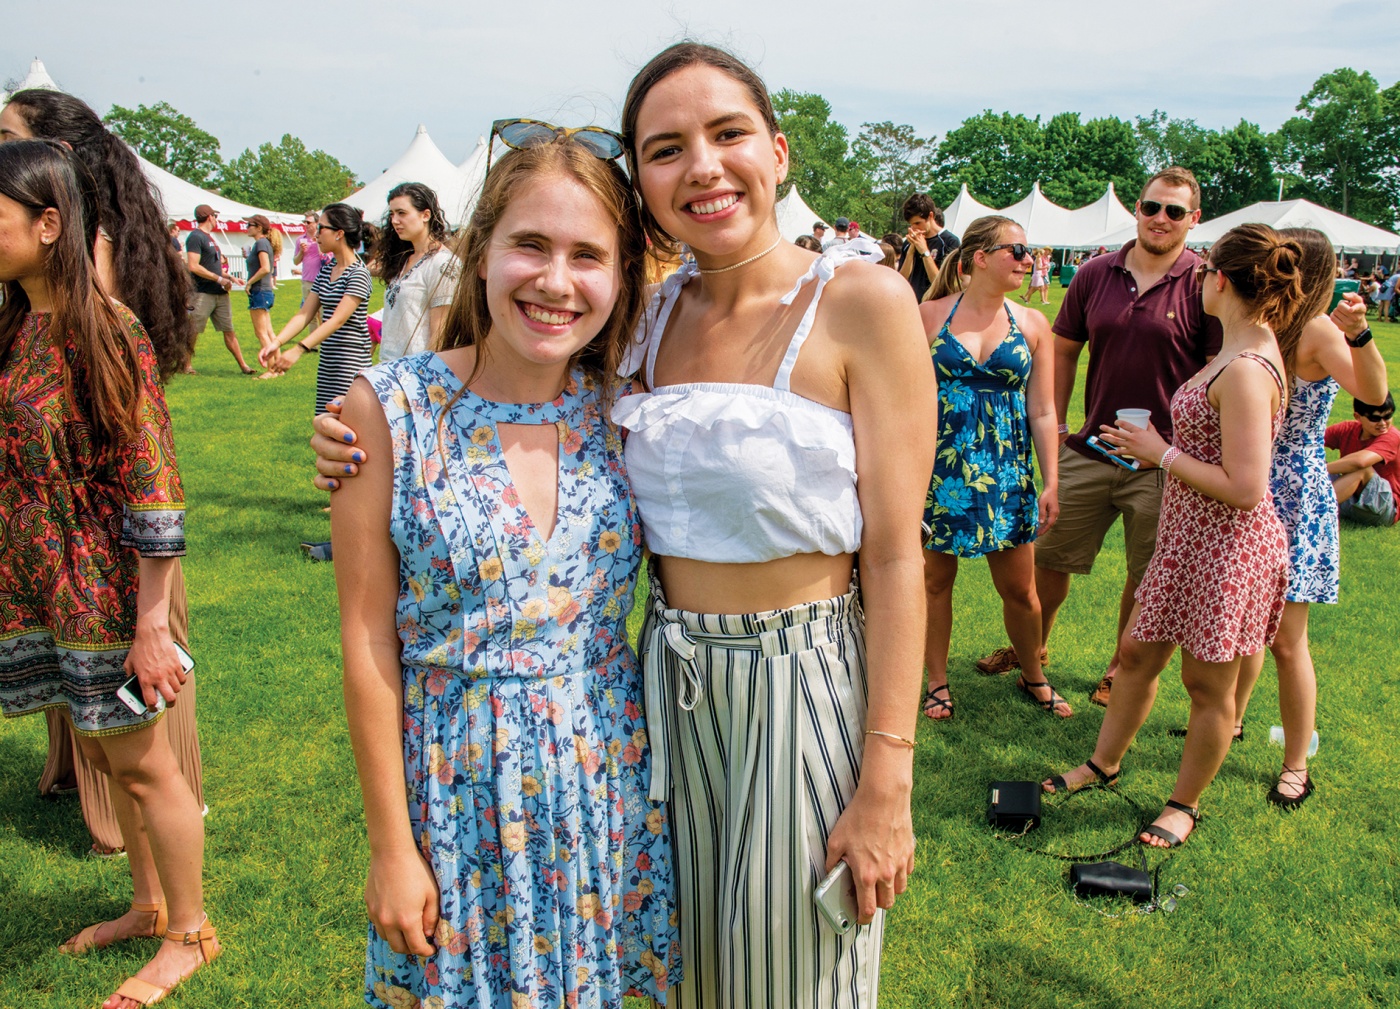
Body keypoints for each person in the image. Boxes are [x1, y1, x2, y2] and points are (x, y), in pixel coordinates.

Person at [312, 42, 936, 1009]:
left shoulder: (861, 302)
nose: (703, 166)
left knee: (794, 982)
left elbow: (899, 552)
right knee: (679, 982)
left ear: (779, 149)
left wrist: (888, 773)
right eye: (665, 147)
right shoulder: (642, 333)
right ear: (643, 185)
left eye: (728, 134)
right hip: (656, 701)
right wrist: (363, 440)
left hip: (789, 682)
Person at [332, 133, 679, 1009]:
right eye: (531, 244)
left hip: (607, 782)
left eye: (587, 255)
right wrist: (389, 845)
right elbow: (367, 635)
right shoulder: (390, 408)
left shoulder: (629, 410)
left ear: (621, 274)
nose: (555, 281)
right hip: (455, 786)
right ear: (481, 247)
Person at [0, 139, 219, 1009]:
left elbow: (153, 478)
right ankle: (146, 900)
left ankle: (189, 930)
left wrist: (153, 620)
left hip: (100, 587)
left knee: (145, 765)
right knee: (103, 752)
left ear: (49, 224)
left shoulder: (108, 329)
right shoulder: (14, 324)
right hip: (41, 582)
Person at [1043, 223, 1304, 852]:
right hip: (1188, 536)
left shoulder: (1245, 367)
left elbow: (1246, 487)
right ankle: (1104, 763)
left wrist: (1159, 453)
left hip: (1228, 549)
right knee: (1136, 653)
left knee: (1207, 688)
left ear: (1220, 280)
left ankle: (1183, 805)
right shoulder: (1239, 344)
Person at [975, 167, 1223, 708]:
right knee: (1050, 558)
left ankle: (1117, 669)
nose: (1160, 219)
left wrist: (1181, 445)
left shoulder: (1205, 283)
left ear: (1193, 220)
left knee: (1145, 576)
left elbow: (1214, 372)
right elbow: (1063, 350)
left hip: (1163, 459)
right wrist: (1059, 427)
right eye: (1151, 207)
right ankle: (1030, 651)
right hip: (1091, 447)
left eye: (1174, 211)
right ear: (1138, 208)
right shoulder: (1095, 273)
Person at [1228, 230, 1388, 810]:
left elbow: (1374, 394)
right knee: (1245, 620)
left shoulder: (1314, 327)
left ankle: (1296, 764)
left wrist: (1360, 335)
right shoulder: (1260, 320)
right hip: (1247, 480)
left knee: (1286, 639)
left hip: (1294, 488)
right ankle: (1234, 720)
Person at [917, 217, 1063, 721]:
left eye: (1029, 250)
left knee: (1020, 589)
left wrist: (1052, 482)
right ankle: (937, 681)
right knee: (935, 581)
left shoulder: (1033, 324)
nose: (1028, 259)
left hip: (1005, 471)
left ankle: (1033, 673)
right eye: (1017, 250)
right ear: (979, 257)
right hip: (938, 466)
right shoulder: (928, 316)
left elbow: (1043, 411)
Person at [372, 182, 458, 362]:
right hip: (389, 369)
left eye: (402, 213)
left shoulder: (443, 263)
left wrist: (422, 377)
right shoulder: (404, 260)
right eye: (392, 214)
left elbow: (441, 334)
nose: (395, 220)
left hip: (416, 374)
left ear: (425, 215)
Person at [183, 204, 254, 375]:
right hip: (202, 293)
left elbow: (212, 268)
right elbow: (193, 266)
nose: (216, 219)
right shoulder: (195, 237)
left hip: (219, 293)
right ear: (210, 217)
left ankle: (244, 366)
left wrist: (229, 277)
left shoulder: (210, 238)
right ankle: (186, 366)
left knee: (229, 329)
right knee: (192, 330)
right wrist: (220, 279)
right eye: (215, 216)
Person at [1327, 391, 1399, 525]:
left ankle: (1317, 509)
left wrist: (1318, 468)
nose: (1383, 423)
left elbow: (1360, 462)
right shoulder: (1347, 429)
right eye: (1375, 418)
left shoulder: (1392, 436)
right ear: (1357, 416)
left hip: (1383, 509)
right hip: (1351, 501)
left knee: (1363, 470)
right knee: (1308, 457)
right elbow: (1312, 442)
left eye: (1388, 416)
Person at [898, 194, 960, 302]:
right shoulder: (908, 243)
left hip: (937, 306)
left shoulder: (950, 241)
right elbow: (901, 280)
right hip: (911, 305)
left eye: (918, 223)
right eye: (911, 224)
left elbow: (942, 284)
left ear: (931, 216)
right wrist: (910, 252)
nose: (914, 228)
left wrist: (924, 252)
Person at [242, 214, 277, 365]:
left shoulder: (261, 243)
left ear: (259, 228)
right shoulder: (263, 243)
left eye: (249, 225)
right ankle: (277, 366)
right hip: (264, 291)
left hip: (259, 291)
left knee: (261, 333)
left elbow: (265, 268)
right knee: (269, 333)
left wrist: (249, 283)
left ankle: (271, 370)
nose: (247, 228)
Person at [293, 210, 327, 304]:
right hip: (306, 280)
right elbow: (295, 262)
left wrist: (318, 242)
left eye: (309, 222)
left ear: (317, 223)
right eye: (304, 222)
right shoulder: (300, 239)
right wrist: (301, 251)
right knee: (309, 315)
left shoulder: (324, 237)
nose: (306, 224)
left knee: (323, 312)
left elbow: (326, 259)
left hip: (321, 280)